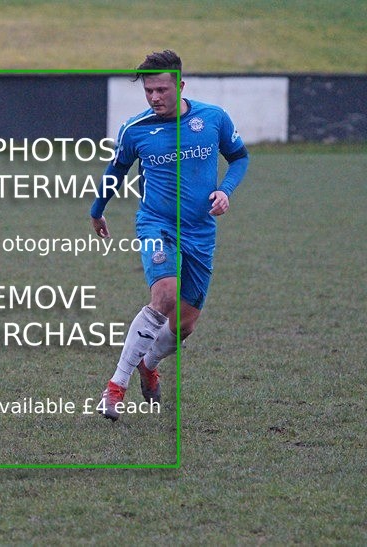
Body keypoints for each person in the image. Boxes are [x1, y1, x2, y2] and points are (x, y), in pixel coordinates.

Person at [90, 50, 249, 420]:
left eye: (161, 90)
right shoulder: (135, 129)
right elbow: (115, 171)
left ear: (180, 85)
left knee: (185, 324)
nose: (154, 97)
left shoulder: (213, 118)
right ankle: (116, 386)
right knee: (164, 295)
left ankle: (149, 364)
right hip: (156, 223)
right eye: (148, 91)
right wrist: (97, 211)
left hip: (201, 230)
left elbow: (239, 157)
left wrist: (225, 190)